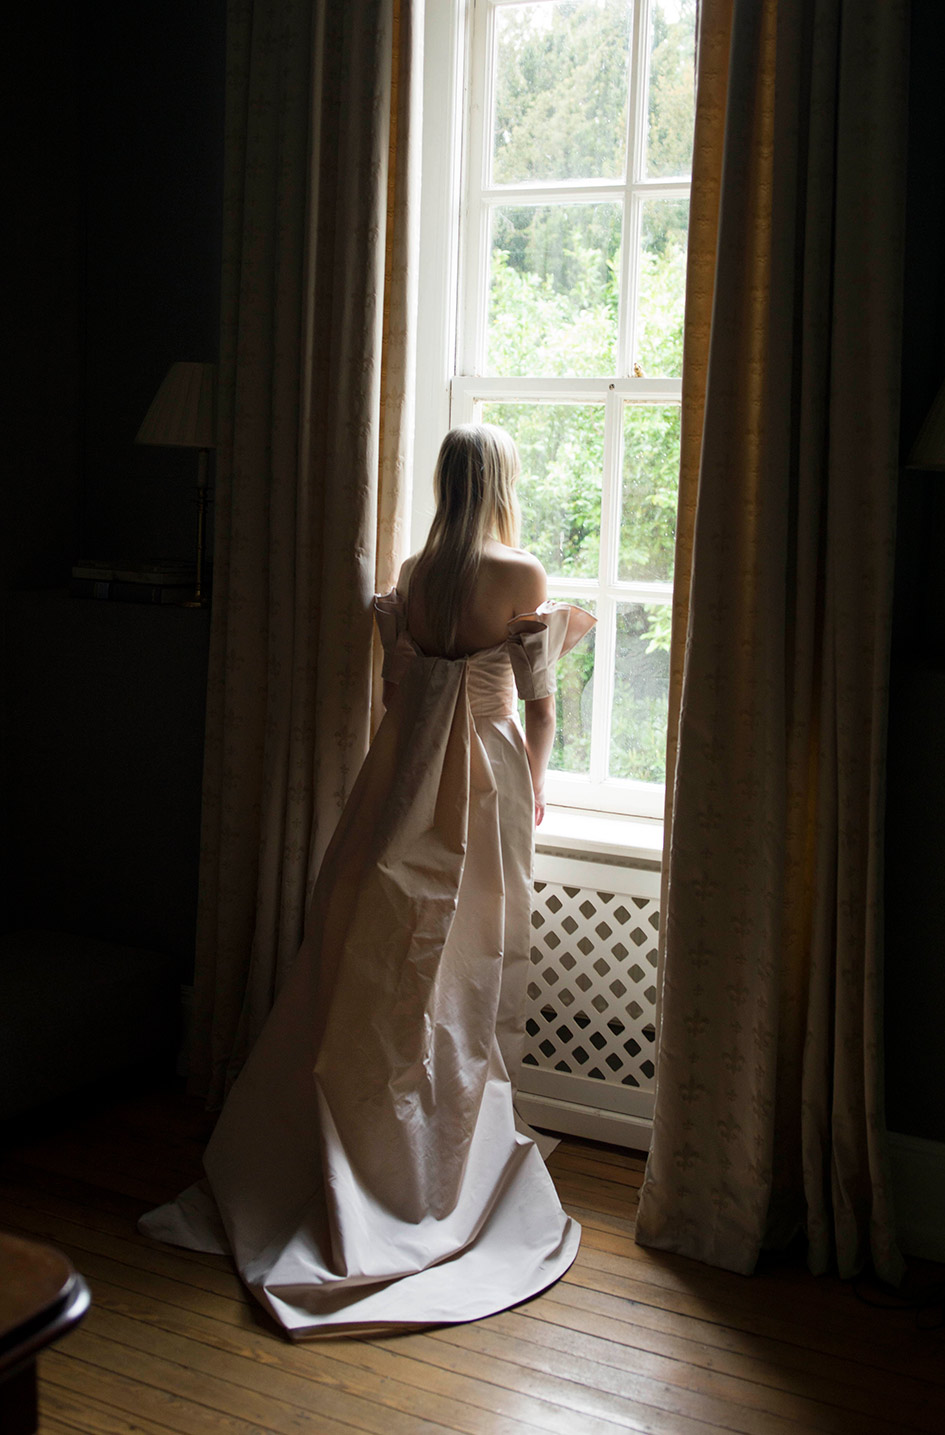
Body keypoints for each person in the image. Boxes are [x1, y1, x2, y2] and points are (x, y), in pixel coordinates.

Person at [139, 424, 596, 1337]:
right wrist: (538, 783)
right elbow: (537, 707)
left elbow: (399, 696)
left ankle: (367, 1136)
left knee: (378, 963)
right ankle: (424, 1161)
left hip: (399, 783)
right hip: (480, 786)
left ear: (445, 481)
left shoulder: (417, 573)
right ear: (501, 481)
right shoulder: (520, 572)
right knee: (461, 971)